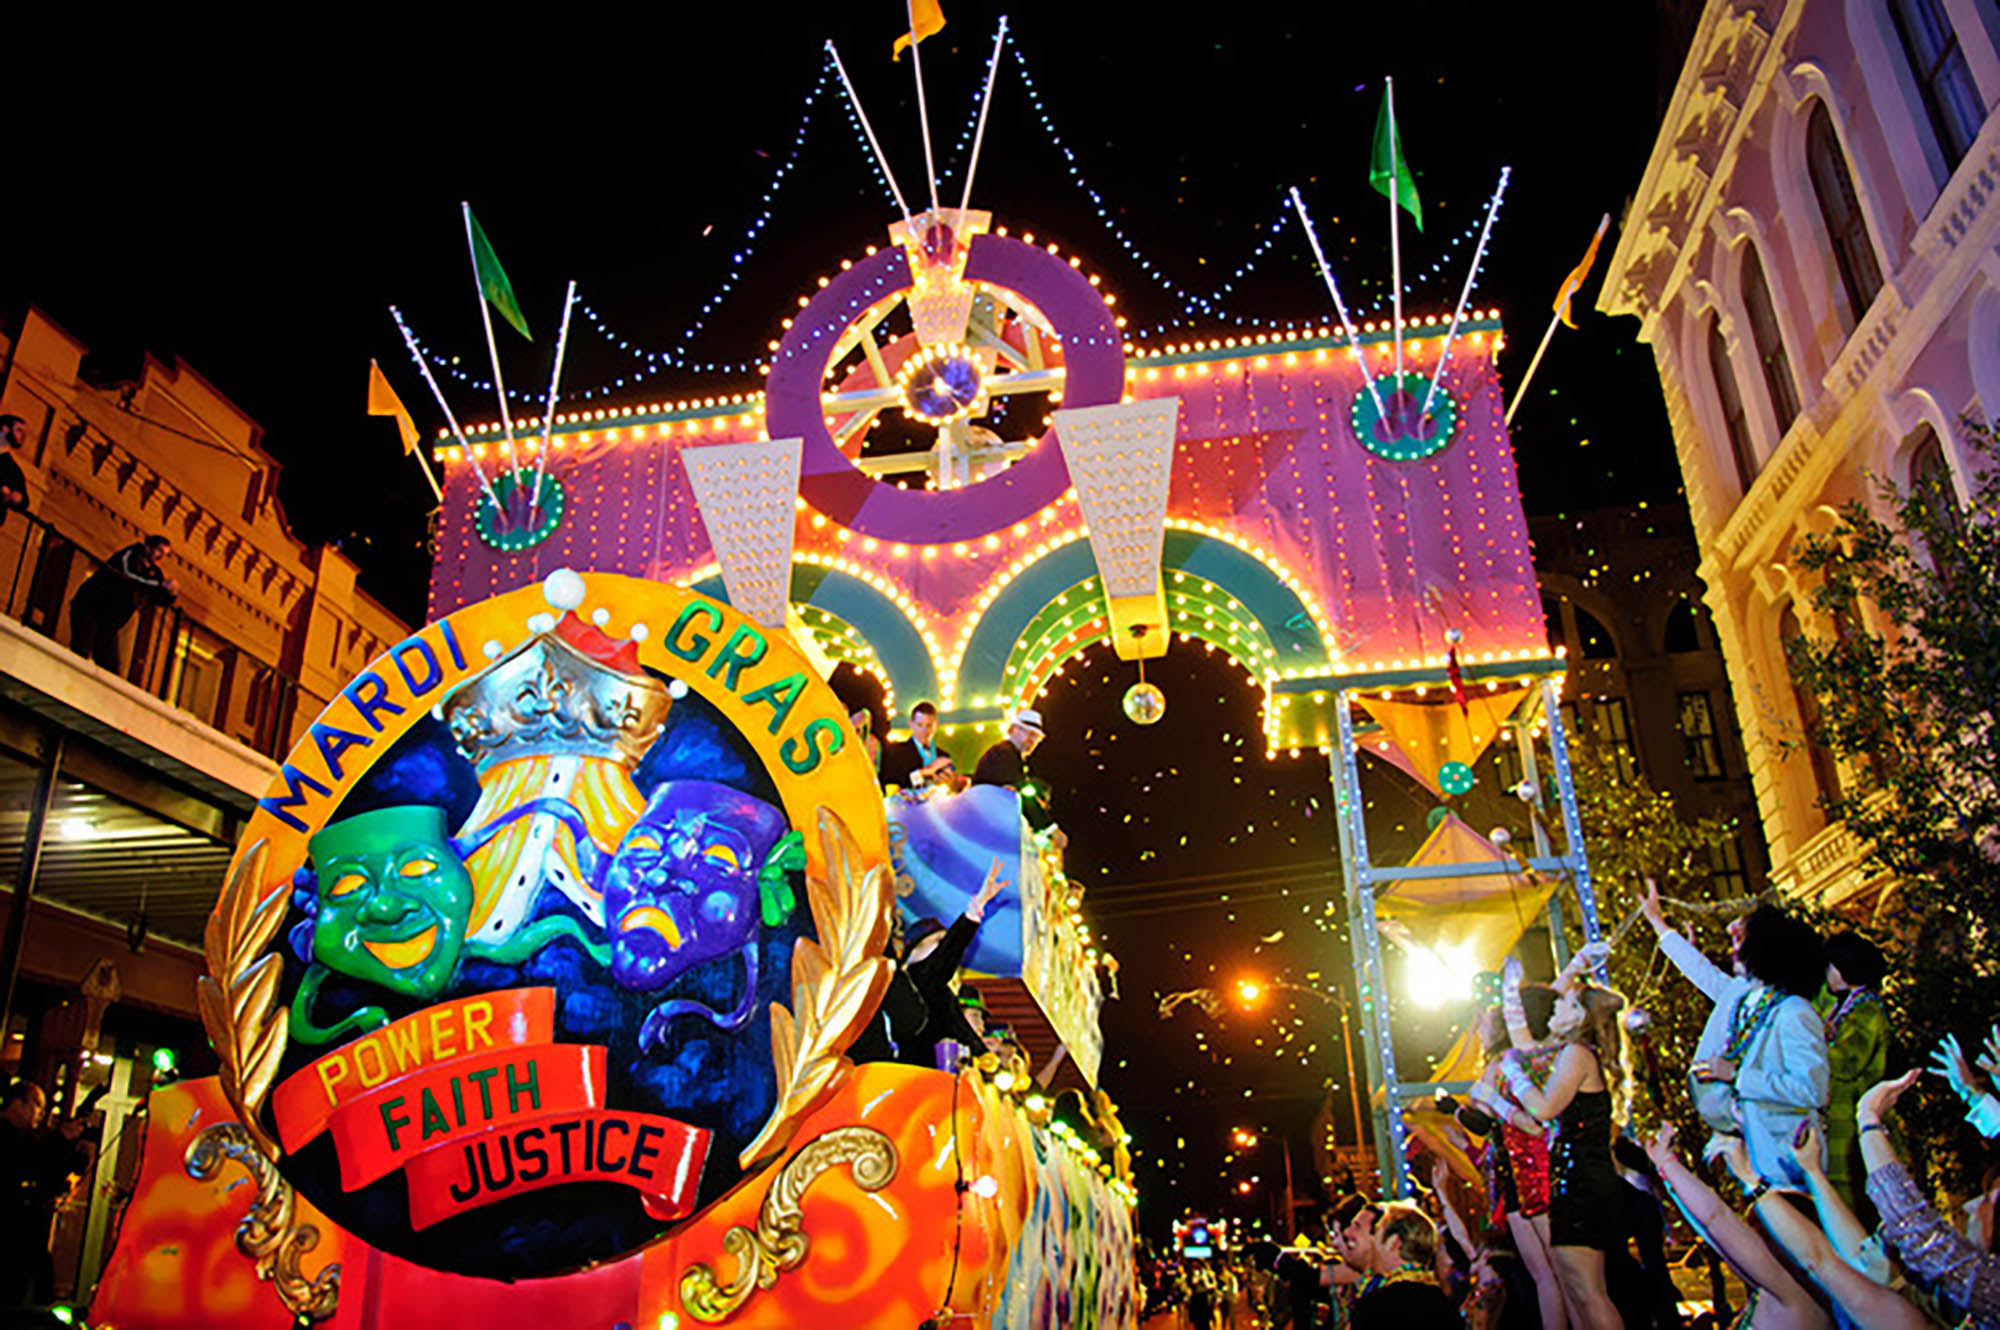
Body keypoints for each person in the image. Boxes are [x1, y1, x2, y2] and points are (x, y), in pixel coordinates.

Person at [1641, 881, 1830, 1189]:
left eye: (1741, 940)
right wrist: (1657, 922)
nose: (1732, 946)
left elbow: (1812, 1090)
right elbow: (1700, 971)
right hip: (1753, 1154)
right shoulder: (1741, 996)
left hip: (1791, 1158)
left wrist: (1737, 1074)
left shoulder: (1794, 1012)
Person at [1473, 981, 1629, 1330]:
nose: (1556, 1007)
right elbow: (1524, 1042)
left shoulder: (1576, 1054)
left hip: (1582, 1179)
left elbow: (1542, 1110)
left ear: (1580, 1017)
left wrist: (1509, 1076)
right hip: (1569, 1178)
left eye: (1565, 1004)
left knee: (1588, 1291)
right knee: (1576, 1289)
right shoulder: (1564, 1054)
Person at [848, 859, 1007, 1068]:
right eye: (938, 942)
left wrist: (985, 1059)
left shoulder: (940, 992)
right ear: (913, 953)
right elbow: (946, 957)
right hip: (913, 1074)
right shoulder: (917, 978)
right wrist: (973, 911)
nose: (944, 949)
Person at [0, 1080, 89, 1308]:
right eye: (38, 1105)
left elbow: (46, 1170)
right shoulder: (7, 1136)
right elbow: (25, 1163)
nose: (41, 1113)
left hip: (23, 1235)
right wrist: (60, 1139)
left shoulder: (28, 1138)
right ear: (19, 1103)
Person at [1819, 931, 1889, 1215]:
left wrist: (1812, 1048)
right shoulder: (1841, 1006)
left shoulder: (1868, 1009)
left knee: (1854, 1199)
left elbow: (1847, 1061)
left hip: (1852, 1119)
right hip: (1836, 1120)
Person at [68, 533, 176, 672]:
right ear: (148, 547)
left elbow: (156, 596)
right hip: (91, 607)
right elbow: (129, 574)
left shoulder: (154, 574)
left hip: (109, 622)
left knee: (110, 666)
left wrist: (171, 594)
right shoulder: (130, 554)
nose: (161, 557)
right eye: (159, 551)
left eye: (165, 554)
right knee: (81, 648)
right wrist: (160, 584)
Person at [1350, 1203, 1464, 1328]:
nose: (1372, 1240)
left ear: (1393, 1242)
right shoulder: (1444, 1305)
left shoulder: (1377, 1307)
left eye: (1376, 1232)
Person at [972, 708, 1066, 848]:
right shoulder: (1005, 754)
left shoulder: (1009, 755)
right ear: (1014, 730)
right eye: (1029, 733)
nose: (1031, 741)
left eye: (1036, 737)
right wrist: (1050, 829)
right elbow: (1021, 794)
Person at [880, 700, 958, 791]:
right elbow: (890, 785)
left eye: (929, 725)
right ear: (911, 724)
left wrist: (951, 783)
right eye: (920, 725)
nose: (924, 730)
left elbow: (951, 789)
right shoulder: (895, 752)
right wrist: (922, 773)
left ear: (936, 726)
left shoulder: (944, 756)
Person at [0, 414, 30, 515]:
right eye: (19, 430)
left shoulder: (14, 471)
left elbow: (24, 502)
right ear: (5, 428)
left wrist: (18, 497)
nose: (23, 436)